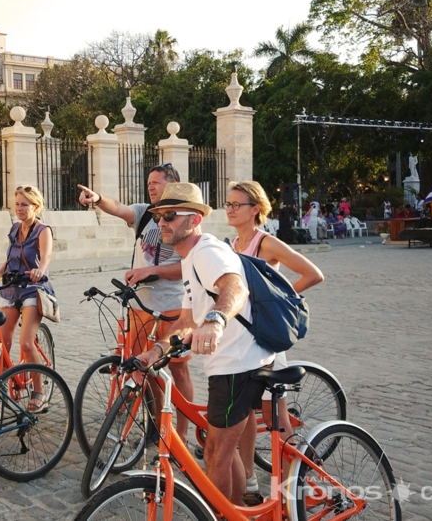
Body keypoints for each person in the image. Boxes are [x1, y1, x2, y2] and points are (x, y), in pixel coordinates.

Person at [136, 182, 275, 506]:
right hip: (229, 364)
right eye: (158, 215)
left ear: (195, 220)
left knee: (215, 453)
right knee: (223, 450)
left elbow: (236, 288)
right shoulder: (189, 259)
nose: (162, 222)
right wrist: (156, 351)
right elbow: (185, 321)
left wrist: (215, 321)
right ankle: (238, 509)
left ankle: (223, 512)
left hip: (238, 364)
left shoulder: (207, 252)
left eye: (171, 215)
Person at [76, 163, 194, 443]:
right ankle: (156, 423)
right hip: (141, 306)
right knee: (148, 366)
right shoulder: (144, 214)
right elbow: (119, 208)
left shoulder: (183, 219)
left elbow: (188, 267)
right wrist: (98, 199)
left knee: (179, 369)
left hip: (173, 307)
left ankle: (184, 433)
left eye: (156, 182)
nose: (150, 186)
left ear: (173, 185)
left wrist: (151, 271)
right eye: (149, 182)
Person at [224, 181, 324, 504]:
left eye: (236, 204)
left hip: (266, 344)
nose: (229, 209)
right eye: (228, 203)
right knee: (246, 416)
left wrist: (278, 300)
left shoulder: (265, 244)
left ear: (255, 209)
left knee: (274, 417)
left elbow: (312, 273)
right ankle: (251, 479)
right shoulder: (233, 245)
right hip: (241, 344)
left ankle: (296, 489)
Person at [0, 185, 54, 412]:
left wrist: (40, 269)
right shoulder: (14, 229)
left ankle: (39, 391)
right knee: (1, 343)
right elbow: (9, 260)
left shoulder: (43, 230)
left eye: (24, 204)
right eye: (17, 204)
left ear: (36, 206)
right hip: (12, 288)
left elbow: (47, 255)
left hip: (33, 288)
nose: (20, 208)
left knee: (25, 342)